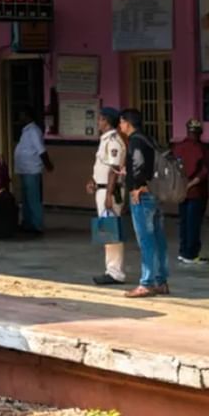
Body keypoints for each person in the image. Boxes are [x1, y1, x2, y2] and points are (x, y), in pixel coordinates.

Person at [118, 110, 169, 297]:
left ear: (127, 123)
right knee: (159, 239)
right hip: (155, 194)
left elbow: (139, 165)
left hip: (143, 196)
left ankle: (146, 283)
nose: (120, 127)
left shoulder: (135, 141)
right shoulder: (149, 139)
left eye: (121, 123)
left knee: (146, 240)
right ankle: (161, 281)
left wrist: (137, 186)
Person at [87, 108, 126, 285]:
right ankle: (110, 269)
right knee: (107, 230)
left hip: (110, 191)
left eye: (101, 120)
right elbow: (101, 167)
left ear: (107, 121)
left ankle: (115, 272)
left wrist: (109, 195)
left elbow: (114, 170)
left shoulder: (114, 141)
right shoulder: (104, 141)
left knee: (111, 230)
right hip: (101, 189)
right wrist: (93, 181)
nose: (98, 123)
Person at [13, 108, 53, 235]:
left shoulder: (34, 131)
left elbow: (41, 150)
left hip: (32, 169)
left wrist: (48, 165)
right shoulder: (26, 131)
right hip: (24, 169)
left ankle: (37, 225)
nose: (20, 119)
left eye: (22, 115)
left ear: (28, 116)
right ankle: (27, 223)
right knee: (25, 199)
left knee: (33, 199)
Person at [174, 118, 208, 265]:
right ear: (200, 132)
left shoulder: (178, 147)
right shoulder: (203, 149)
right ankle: (191, 254)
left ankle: (183, 252)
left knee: (184, 222)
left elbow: (173, 168)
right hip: (197, 192)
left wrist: (182, 185)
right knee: (193, 223)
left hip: (181, 191)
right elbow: (204, 172)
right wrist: (191, 184)